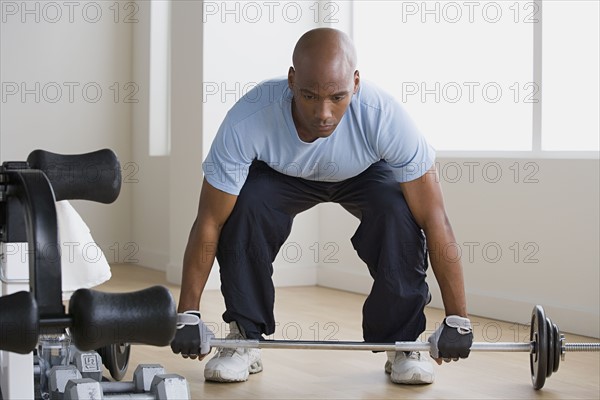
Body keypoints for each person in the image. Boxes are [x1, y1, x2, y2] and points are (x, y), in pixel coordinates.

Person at [170, 27, 473, 385]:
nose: (323, 113)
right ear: (291, 80)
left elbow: (434, 218)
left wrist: (458, 318)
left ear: (356, 83)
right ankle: (243, 335)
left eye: (338, 97)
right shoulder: (249, 119)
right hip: (282, 174)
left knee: (399, 211)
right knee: (244, 206)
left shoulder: (385, 117)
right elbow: (209, 221)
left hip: (363, 173)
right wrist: (186, 313)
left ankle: (403, 342)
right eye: (310, 96)